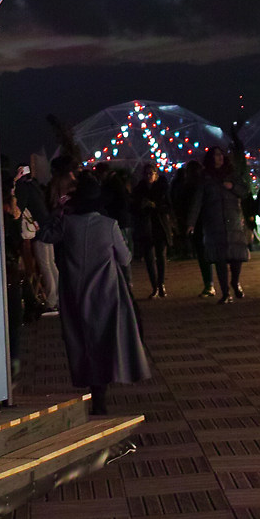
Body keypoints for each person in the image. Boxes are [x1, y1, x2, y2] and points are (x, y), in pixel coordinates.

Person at [40, 172, 153, 414]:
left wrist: (58, 211)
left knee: (83, 342)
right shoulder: (108, 224)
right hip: (107, 292)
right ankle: (103, 390)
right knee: (107, 340)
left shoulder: (67, 223)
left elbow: (44, 235)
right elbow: (125, 258)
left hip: (74, 293)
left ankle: (94, 390)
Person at [186, 146, 250, 302]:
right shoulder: (205, 178)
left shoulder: (232, 175)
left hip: (233, 220)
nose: (219, 157)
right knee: (220, 258)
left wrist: (232, 187)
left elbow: (245, 191)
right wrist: (191, 223)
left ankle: (235, 282)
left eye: (221, 154)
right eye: (216, 155)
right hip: (214, 223)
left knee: (236, 256)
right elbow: (198, 201)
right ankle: (225, 292)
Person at [15, 158, 58, 312]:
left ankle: (52, 300)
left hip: (38, 229)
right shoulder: (34, 184)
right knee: (51, 263)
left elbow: (19, 207)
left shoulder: (22, 187)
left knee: (44, 264)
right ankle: (57, 297)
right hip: (47, 225)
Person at [130, 161, 171, 299]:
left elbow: (169, 207)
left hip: (159, 225)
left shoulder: (163, 188)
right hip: (146, 226)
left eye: (151, 174)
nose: (149, 176)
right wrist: (142, 206)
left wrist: (155, 206)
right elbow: (134, 208)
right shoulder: (139, 190)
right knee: (149, 258)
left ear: (156, 175)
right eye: (146, 174)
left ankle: (161, 284)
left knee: (160, 257)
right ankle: (155, 286)